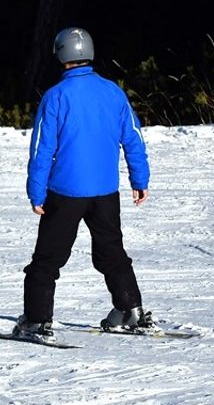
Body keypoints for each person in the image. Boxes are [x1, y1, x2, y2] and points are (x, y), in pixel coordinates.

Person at [18, 27, 154, 340]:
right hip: (106, 192)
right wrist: (139, 178)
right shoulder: (113, 92)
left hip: (66, 193)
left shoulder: (55, 97)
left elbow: (42, 150)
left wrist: (36, 192)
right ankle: (130, 310)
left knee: (48, 259)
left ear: (60, 55)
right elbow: (133, 138)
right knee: (111, 252)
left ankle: (37, 320)